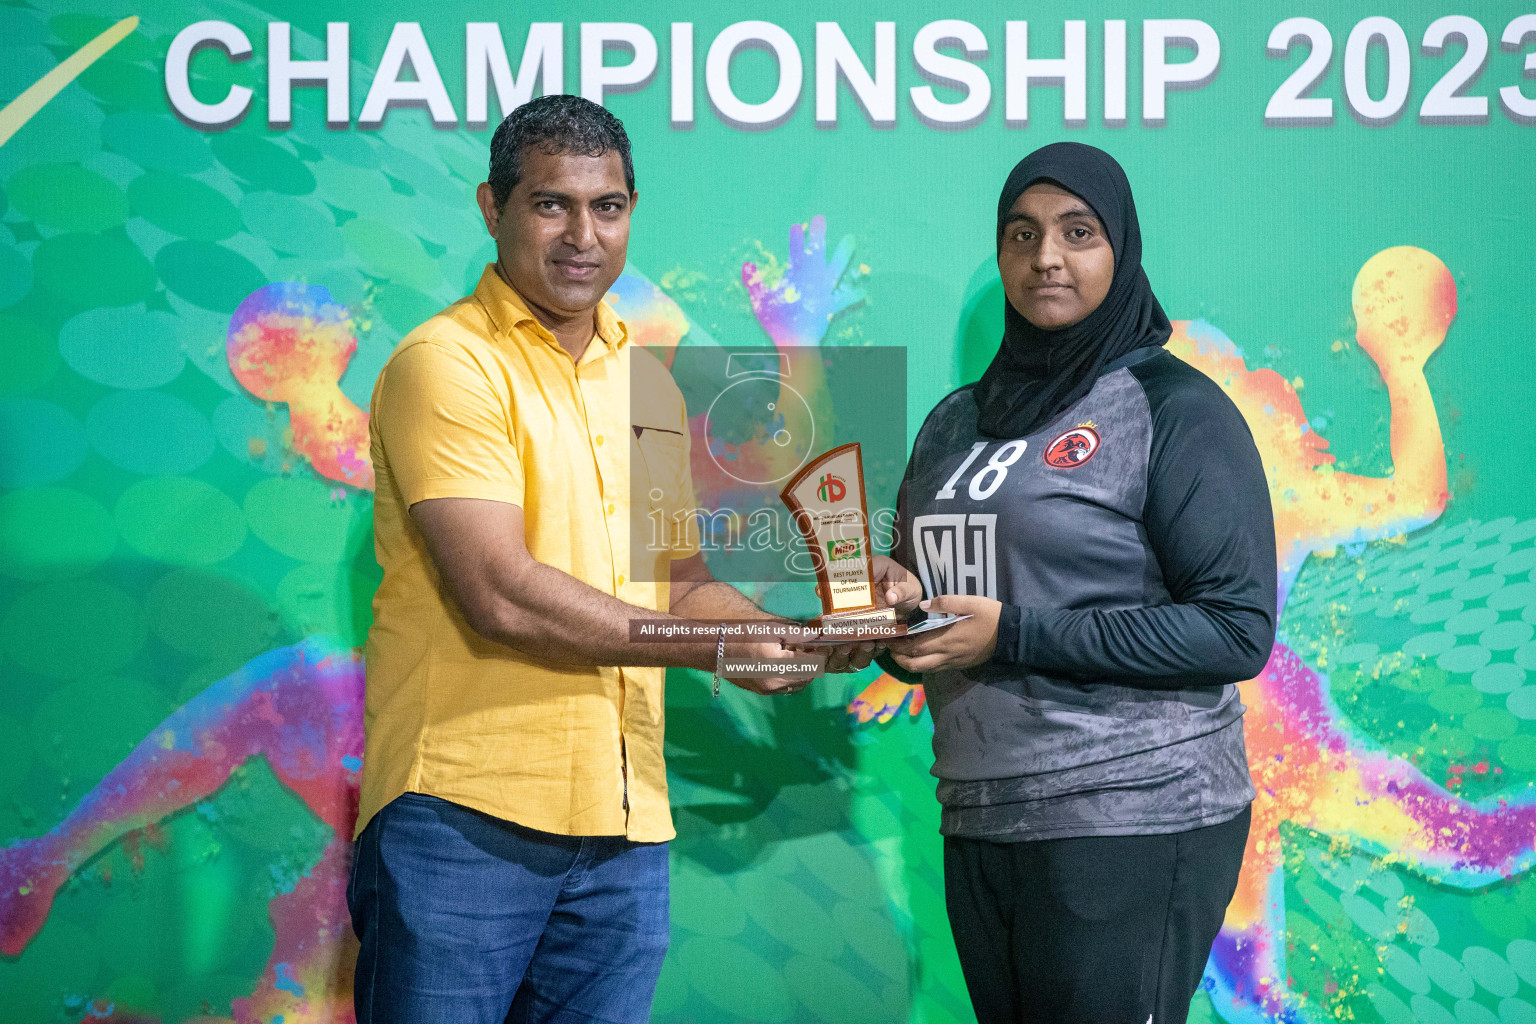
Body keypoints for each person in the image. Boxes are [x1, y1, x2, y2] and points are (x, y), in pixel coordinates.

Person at [348, 94, 914, 1024]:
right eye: (550, 205)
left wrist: (786, 639)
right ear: (492, 209)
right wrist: (712, 649)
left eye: (606, 207)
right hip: (462, 821)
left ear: (631, 213)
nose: (583, 235)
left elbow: (681, 580)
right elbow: (504, 595)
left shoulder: (642, 383)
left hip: (625, 829)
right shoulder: (445, 364)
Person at [881, 142, 1278, 1024]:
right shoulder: (954, 423)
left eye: (1077, 232)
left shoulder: (1174, 408)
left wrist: (1012, 633)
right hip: (982, 815)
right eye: (1021, 234)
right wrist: (889, 612)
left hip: (1133, 819)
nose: (1045, 256)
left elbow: (1236, 630)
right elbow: (935, 604)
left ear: (1121, 249)